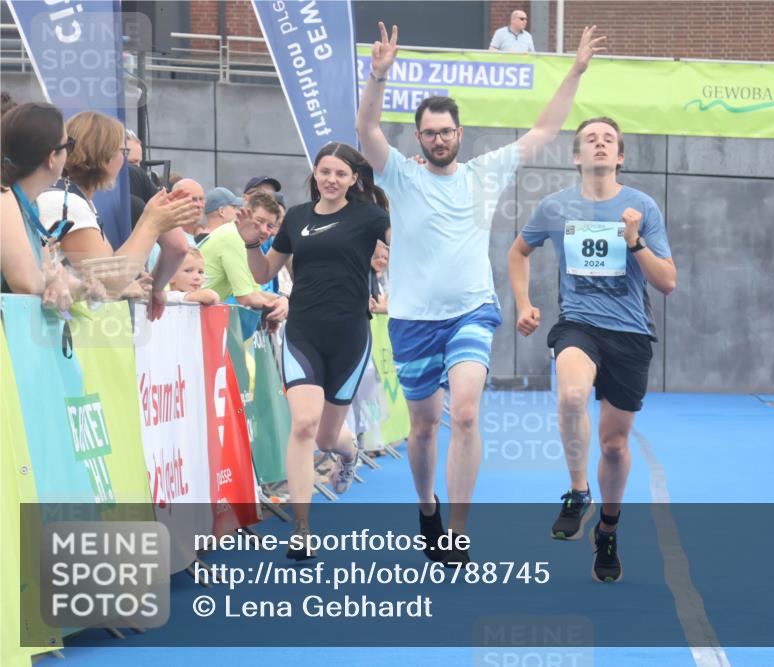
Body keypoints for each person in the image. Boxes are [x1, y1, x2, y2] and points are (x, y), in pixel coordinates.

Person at [356, 21, 605, 563]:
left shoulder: (483, 174)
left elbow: (544, 130)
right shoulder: (400, 176)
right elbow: (367, 129)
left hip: (471, 310)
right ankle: (428, 508)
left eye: (446, 131)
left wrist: (576, 71)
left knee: (465, 414)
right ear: (418, 138)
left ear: (460, 134)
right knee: (424, 428)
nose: (439, 139)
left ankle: (457, 530)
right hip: (412, 320)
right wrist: (378, 76)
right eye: (430, 133)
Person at [508, 116, 676, 583]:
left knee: (614, 445)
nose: (599, 144)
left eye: (608, 140)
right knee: (572, 395)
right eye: (590, 139)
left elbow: (667, 282)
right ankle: (578, 491)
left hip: (630, 333)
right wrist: (523, 303)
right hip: (578, 325)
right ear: (576, 156)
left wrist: (635, 241)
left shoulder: (641, 207)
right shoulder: (555, 208)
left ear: (619, 156)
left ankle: (608, 529)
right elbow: (518, 252)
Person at [235, 143, 390, 560]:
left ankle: (348, 452)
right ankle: (302, 528)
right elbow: (264, 273)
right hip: (303, 332)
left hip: (350, 336)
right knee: (303, 424)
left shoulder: (371, 217)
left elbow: (411, 244)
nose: (331, 180)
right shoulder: (298, 218)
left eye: (340, 173)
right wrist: (251, 244)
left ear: (353, 178)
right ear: (314, 173)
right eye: (325, 171)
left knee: (326, 436)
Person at [36, 111, 196, 320]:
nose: (125, 161)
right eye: (123, 151)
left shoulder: (71, 199)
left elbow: (103, 278)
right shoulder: (67, 202)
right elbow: (109, 280)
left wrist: (127, 285)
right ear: (107, 156)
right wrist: (151, 223)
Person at [0, 102, 99, 307]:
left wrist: (85, 287)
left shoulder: (30, 204)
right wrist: (53, 282)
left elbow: (47, 271)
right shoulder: (4, 195)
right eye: (68, 145)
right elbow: (26, 281)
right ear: (52, 157)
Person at [200, 191, 288, 321]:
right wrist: (278, 306)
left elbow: (256, 293)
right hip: (186, 315)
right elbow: (246, 297)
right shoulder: (233, 237)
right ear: (244, 215)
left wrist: (282, 300)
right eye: (259, 221)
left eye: (270, 226)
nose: (264, 230)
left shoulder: (245, 240)